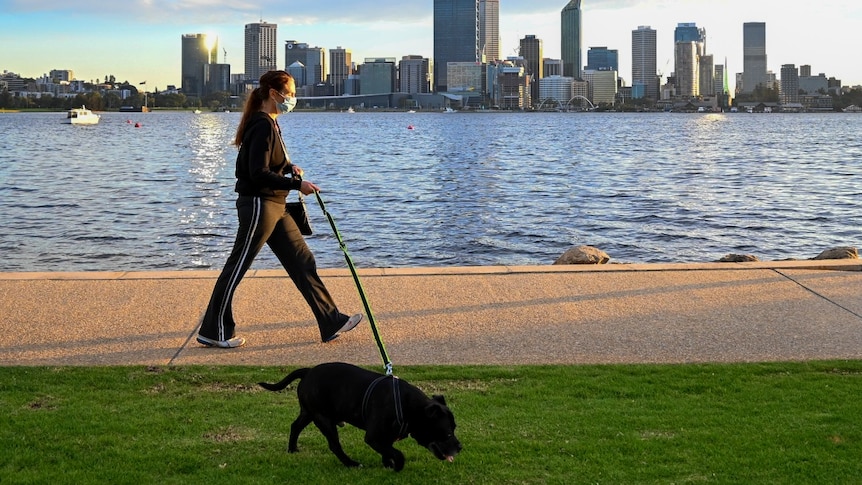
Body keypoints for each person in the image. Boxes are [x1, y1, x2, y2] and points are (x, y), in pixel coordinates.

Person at [197, 70, 362, 348]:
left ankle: (330, 319)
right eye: (291, 93)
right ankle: (214, 331)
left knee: (302, 261)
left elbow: (269, 163)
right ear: (274, 94)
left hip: (277, 204)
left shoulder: (270, 124)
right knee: (237, 268)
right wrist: (298, 185)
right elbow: (256, 172)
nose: (293, 98)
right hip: (260, 205)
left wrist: (289, 168)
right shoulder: (261, 124)